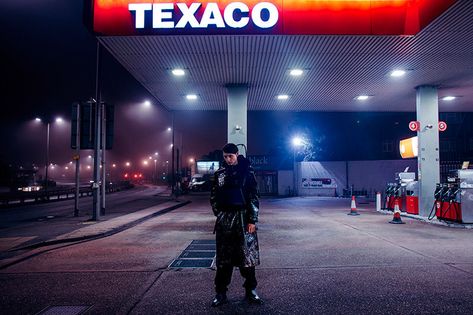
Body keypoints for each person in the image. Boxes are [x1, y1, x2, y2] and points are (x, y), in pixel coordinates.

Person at [210, 143, 263, 307]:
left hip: (243, 218)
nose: (228, 159)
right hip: (225, 219)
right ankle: (220, 292)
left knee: (247, 258)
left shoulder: (247, 172)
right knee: (223, 260)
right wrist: (219, 213)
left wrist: (252, 220)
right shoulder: (219, 173)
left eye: (230, 156)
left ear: (237, 154)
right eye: (225, 156)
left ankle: (251, 291)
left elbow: (253, 196)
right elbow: (214, 195)